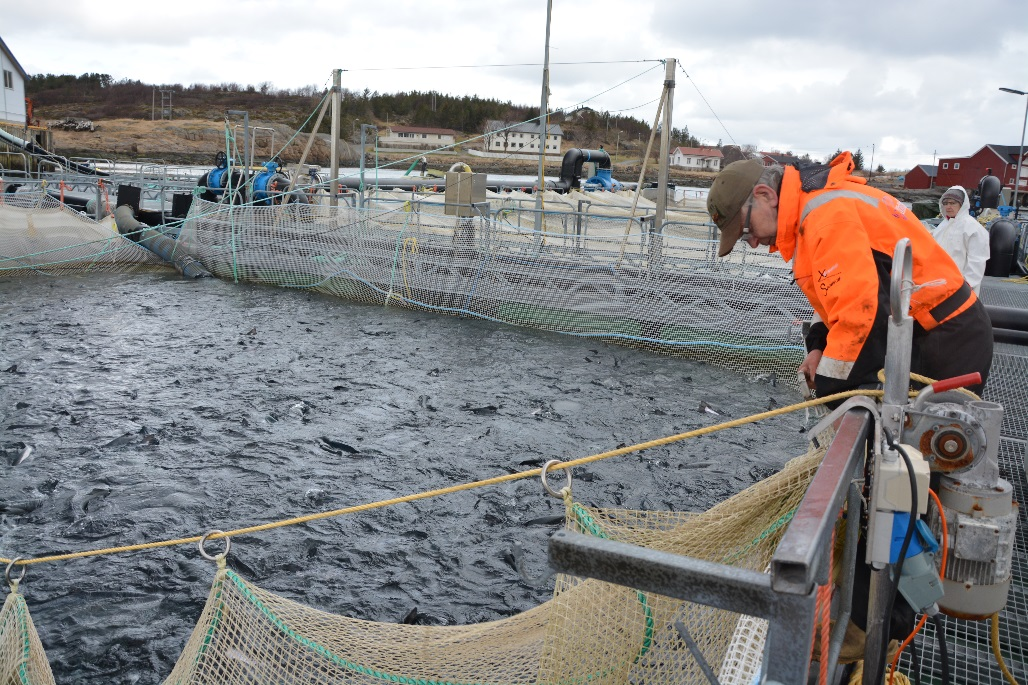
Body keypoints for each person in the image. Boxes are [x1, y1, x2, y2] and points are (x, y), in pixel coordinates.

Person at [707, 152, 993, 398]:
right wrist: (819, 345)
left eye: (745, 232)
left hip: (946, 340)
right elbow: (840, 294)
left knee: (927, 450)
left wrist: (830, 390)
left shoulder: (826, 218)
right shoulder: (816, 209)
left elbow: (861, 317)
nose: (754, 242)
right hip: (924, 333)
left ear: (766, 196)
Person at [930, 186, 990, 294]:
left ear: (962, 205)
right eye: (946, 203)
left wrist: (966, 286)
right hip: (939, 285)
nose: (948, 206)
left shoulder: (973, 229)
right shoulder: (943, 225)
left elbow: (977, 261)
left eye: (953, 203)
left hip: (961, 289)